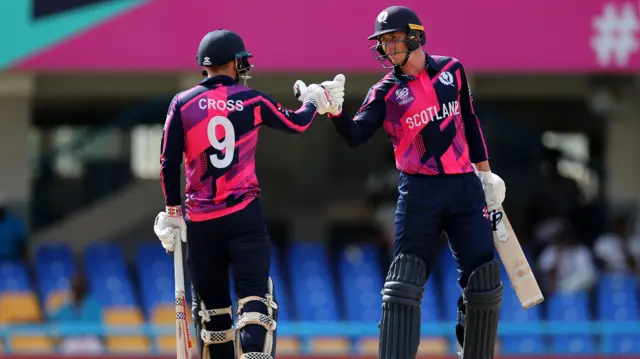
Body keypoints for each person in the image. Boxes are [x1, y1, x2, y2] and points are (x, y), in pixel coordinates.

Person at [295, 6, 506, 359]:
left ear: (414, 35)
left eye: (393, 40)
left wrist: (485, 175)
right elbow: (356, 135)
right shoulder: (386, 92)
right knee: (403, 286)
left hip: (464, 188)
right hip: (419, 192)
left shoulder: (453, 70)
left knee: (483, 280)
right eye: (382, 43)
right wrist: (333, 112)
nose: (387, 49)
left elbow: (469, 122)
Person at [152, 29, 342, 359]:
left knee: (213, 316)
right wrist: (314, 101)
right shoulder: (253, 100)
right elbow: (297, 124)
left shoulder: (181, 104)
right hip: (244, 217)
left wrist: (173, 212)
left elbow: (167, 162)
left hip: (201, 223)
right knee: (255, 301)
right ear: (234, 62)